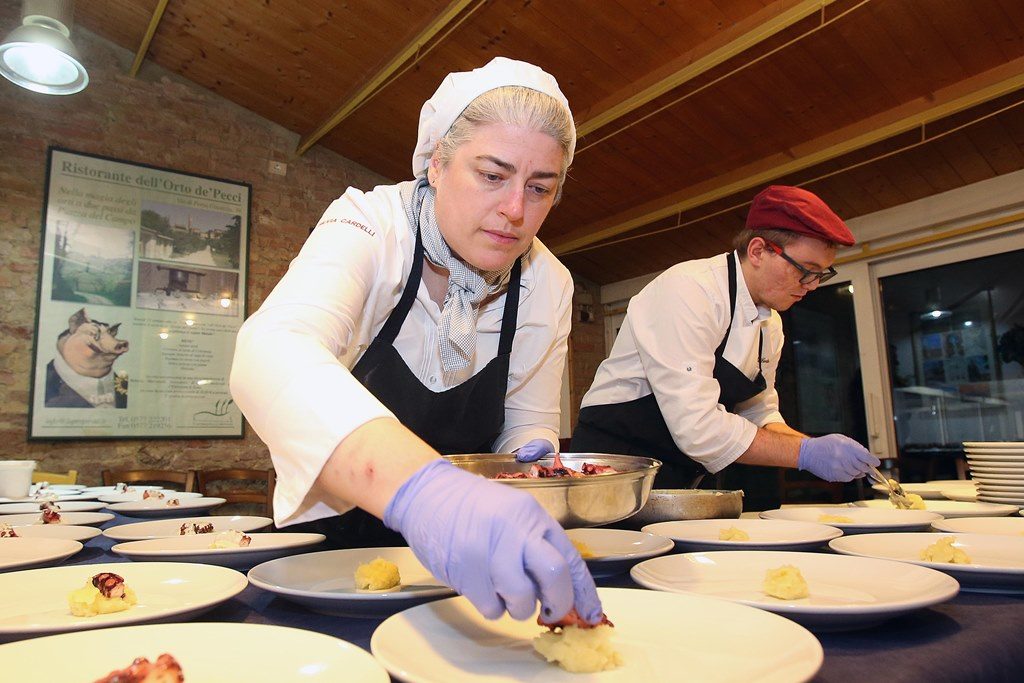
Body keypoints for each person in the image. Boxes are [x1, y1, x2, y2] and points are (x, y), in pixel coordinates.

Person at [230, 57, 600, 625]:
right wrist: (429, 494)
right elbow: (273, 347)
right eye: (492, 174)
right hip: (331, 553)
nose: (515, 211)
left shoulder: (547, 281)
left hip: (464, 566)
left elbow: (525, 422)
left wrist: (534, 459)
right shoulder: (371, 225)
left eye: (540, 187)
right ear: (434, 165)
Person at [559, 185, 879, 490]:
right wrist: (804, 455)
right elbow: (698, 428)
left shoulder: (771, 327)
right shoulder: (689, 291)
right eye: (805, 270)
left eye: (821, 274)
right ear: (758, 251)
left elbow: (759, 412)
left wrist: (814, 446)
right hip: (613, 471)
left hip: (680, 478)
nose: (811, 285)